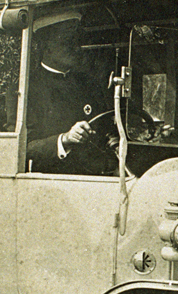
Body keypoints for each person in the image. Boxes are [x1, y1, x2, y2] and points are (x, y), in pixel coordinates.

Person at [25, 11, 115, 174]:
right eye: (67, 41)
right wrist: (65, 139)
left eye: (77, 41)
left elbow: (105, 128)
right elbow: (24, 147)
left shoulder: (88, 83)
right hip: (55, 182)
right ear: (46, 46)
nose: (76, 47)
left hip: (98, 179)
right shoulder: (26, 88)